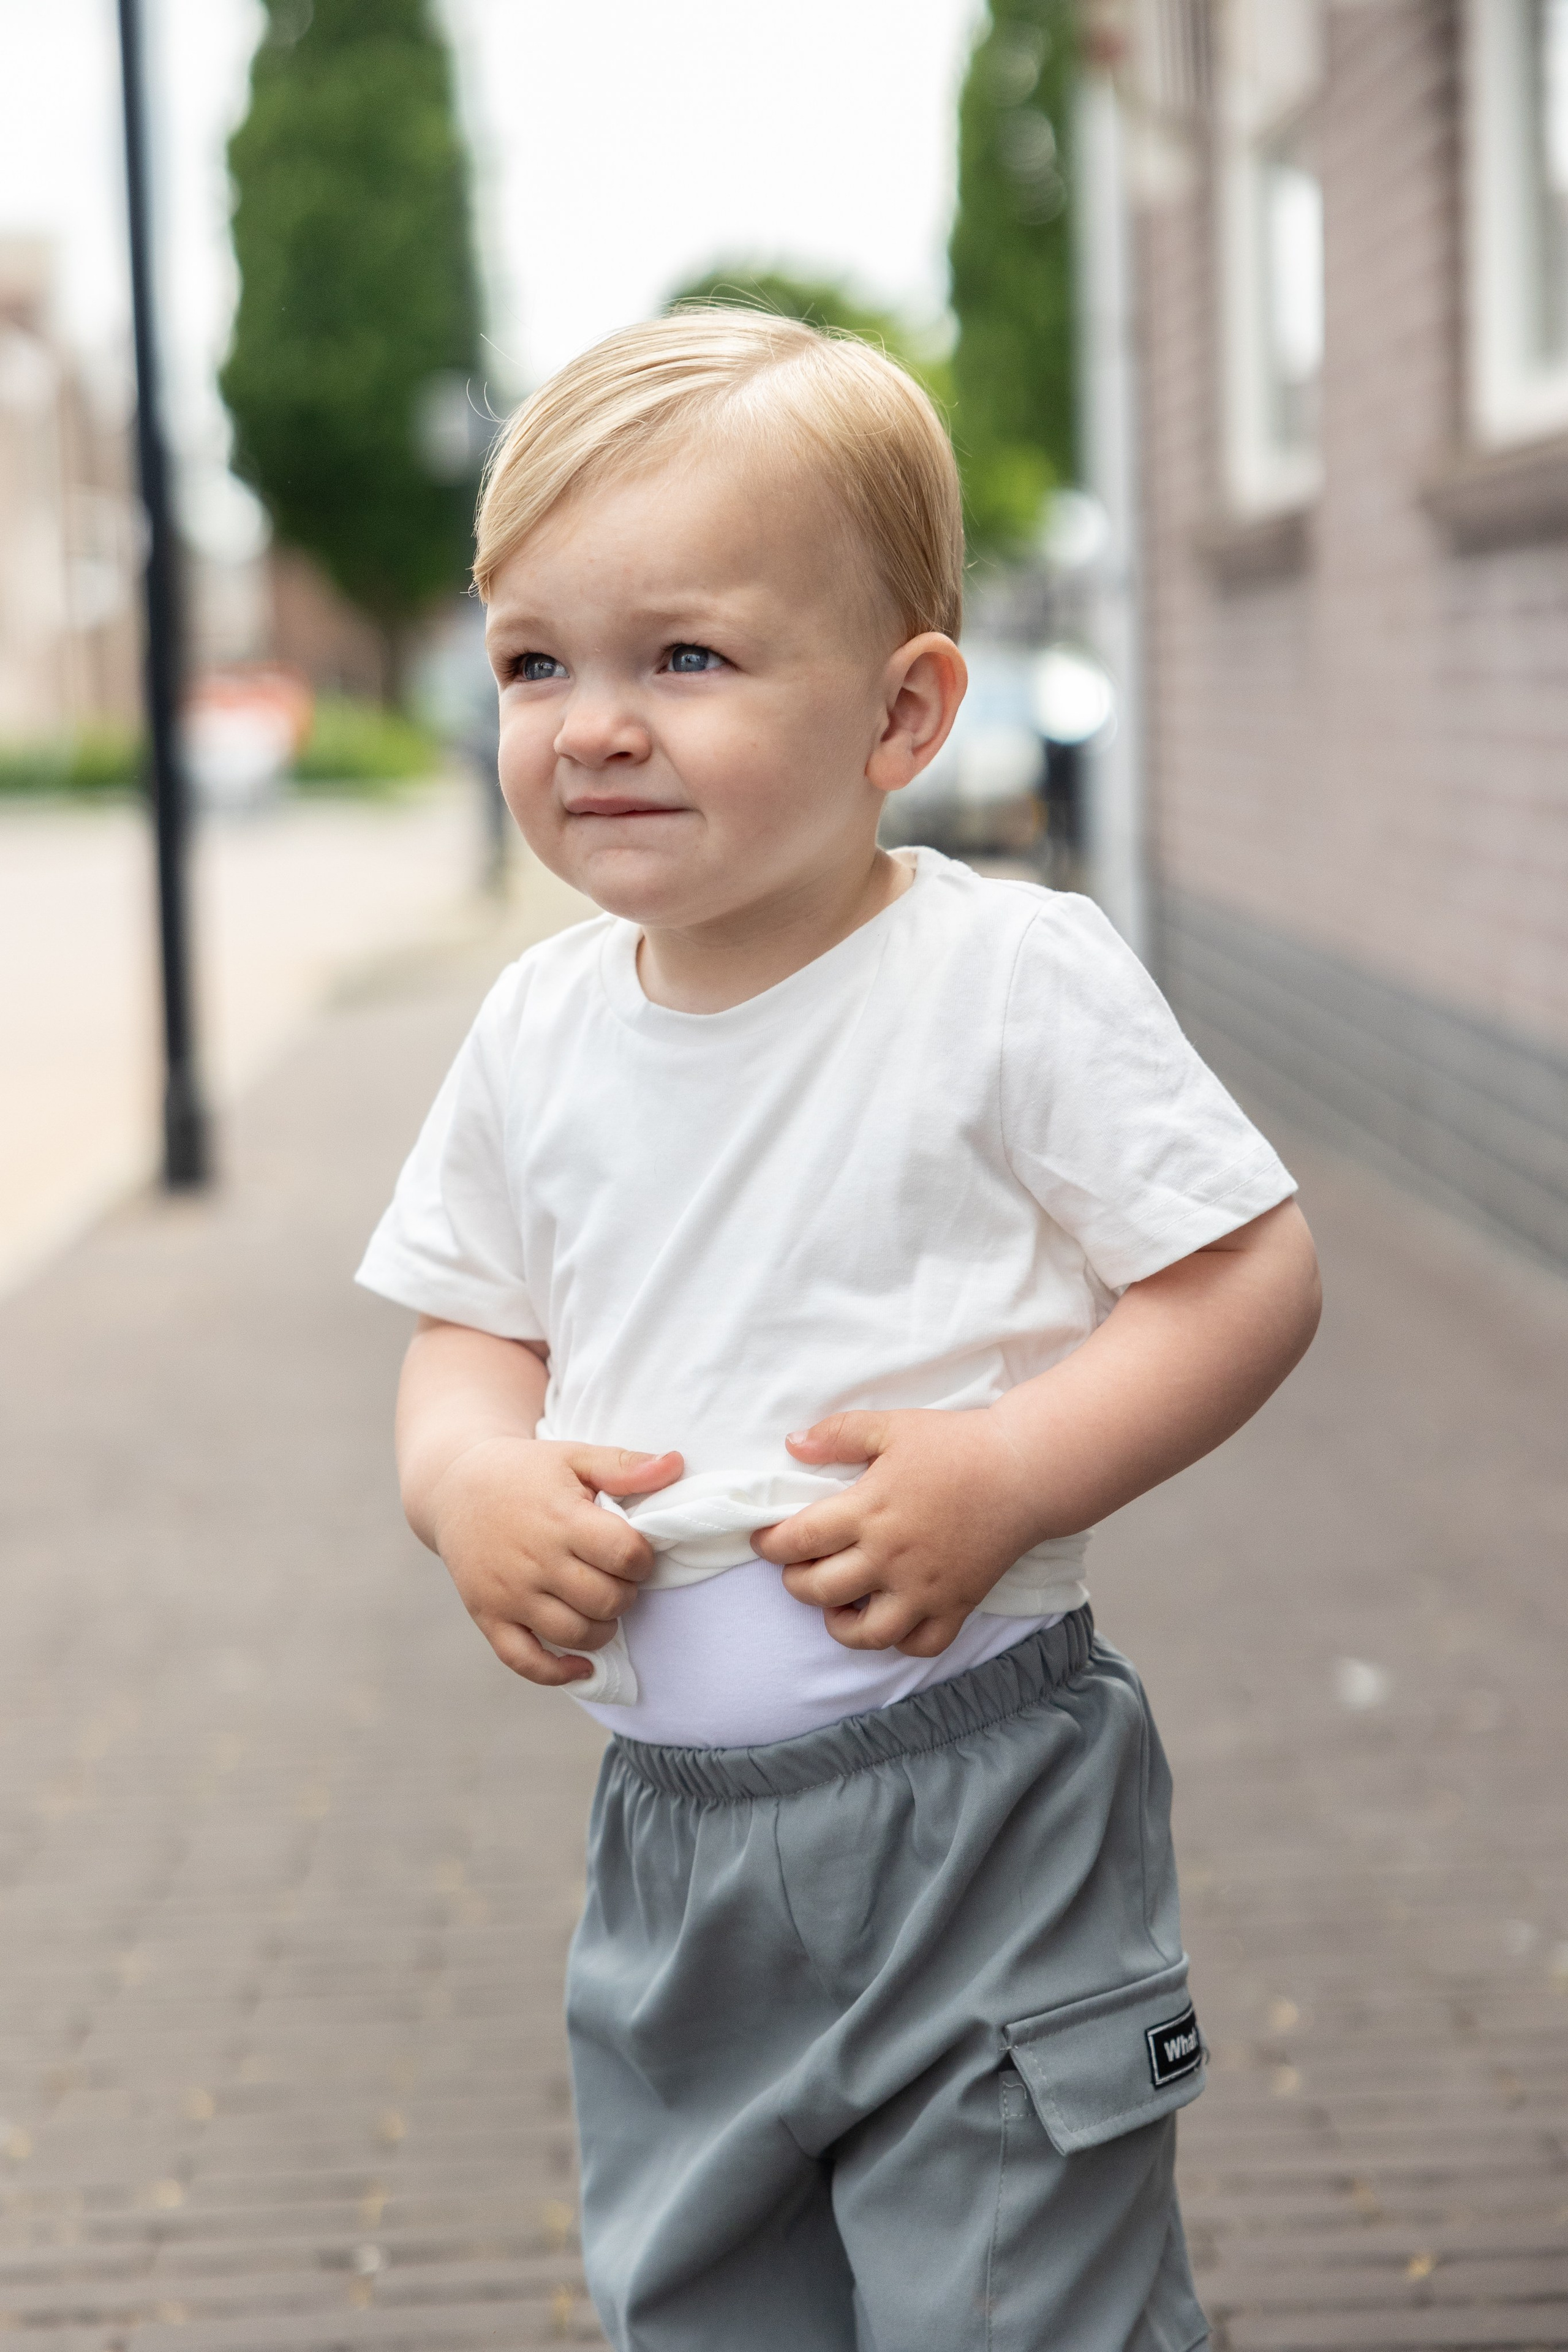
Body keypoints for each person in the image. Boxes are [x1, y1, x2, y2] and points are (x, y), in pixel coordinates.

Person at [356, 309, 1321, 2352]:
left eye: (682, 658)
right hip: (675, 1851)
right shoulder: (539, 1032)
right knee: (707, 2305)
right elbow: (466, 1334)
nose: (592, 723)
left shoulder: (1006, 979)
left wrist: (1013, 1469)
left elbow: (1244, 1273)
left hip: (979, 1802)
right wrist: (470, 1490)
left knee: (1018, 2309)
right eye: (539, 661)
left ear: (905, 713)